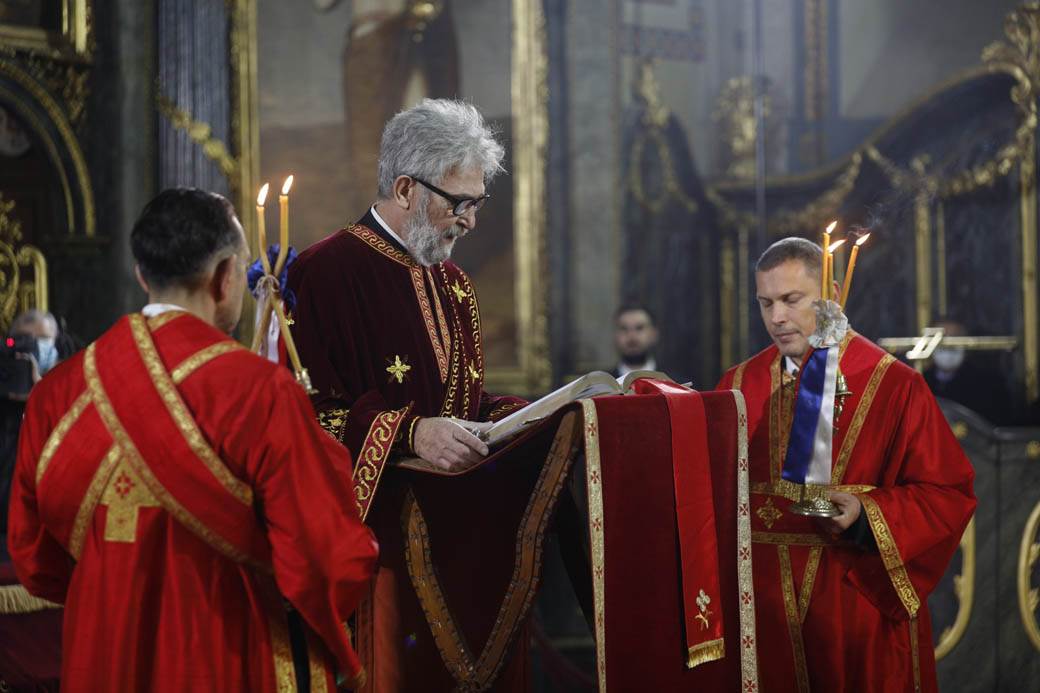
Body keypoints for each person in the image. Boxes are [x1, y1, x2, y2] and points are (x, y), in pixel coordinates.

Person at [7, 188, 378, 691]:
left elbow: (33, 557)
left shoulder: (56, 393)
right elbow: (323, 555)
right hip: (225, 650)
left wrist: (110, 582)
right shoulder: (259, 391)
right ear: (226, 278)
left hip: (101, 649)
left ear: (142, 274)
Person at [287, 98, 529, 691]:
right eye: (460, 202)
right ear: (404, 187)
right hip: (379, 552)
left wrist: (536, 414)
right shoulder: (324, 272)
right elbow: (303, 415)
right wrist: (411, 431)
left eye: (477, 202)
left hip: (462, 539)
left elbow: (464, 406)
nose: (470, 220)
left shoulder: (455, 285)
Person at [716, 237, 975, 692]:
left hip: (851, 603)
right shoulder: (738, 385)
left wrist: (866, 517)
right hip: (761, 615)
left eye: (792, 300)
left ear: (832, 294)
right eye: (766, 303)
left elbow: (947, 493)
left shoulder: (895, 385)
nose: (777, 318)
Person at [922, 319, 1014, 425]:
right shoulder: (918, 383)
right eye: (941, 340)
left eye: (955, 338)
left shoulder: (988, 384)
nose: (948, 345)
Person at [609, 304, 661, 379]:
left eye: (639, 328)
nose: (632, 336)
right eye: (624, 328)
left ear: (653, 334)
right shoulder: (602, 387)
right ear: (616, 335)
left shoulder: (676, 386)